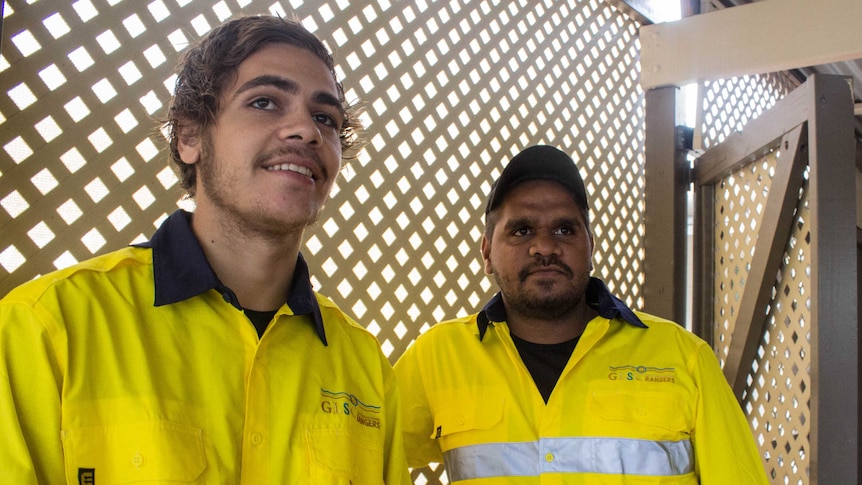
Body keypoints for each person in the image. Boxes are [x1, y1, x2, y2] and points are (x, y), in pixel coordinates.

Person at [0, 15, 410, 484]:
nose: (306, 130)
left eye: (325, 118)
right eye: (264, 102)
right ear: (189, 136)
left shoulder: (365, 365)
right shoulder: (49, 326)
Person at [394, 145, 769, 484]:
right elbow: (360, 455)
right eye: (521, 230)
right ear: (487, 252)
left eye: (564, 229)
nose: (544, 247)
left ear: (589, 245)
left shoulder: (685, 358)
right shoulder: (436, 358)